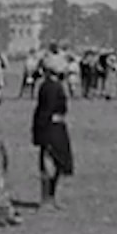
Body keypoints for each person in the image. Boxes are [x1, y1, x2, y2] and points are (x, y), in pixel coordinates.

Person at [33, 53, 74, 209]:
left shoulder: (53, 85)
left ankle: (51, 197)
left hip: (56, 127)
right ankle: (46, 199)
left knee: (56, 165)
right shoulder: (50, 87)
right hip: (51, 128)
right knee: (49, 164)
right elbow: (45, 111)